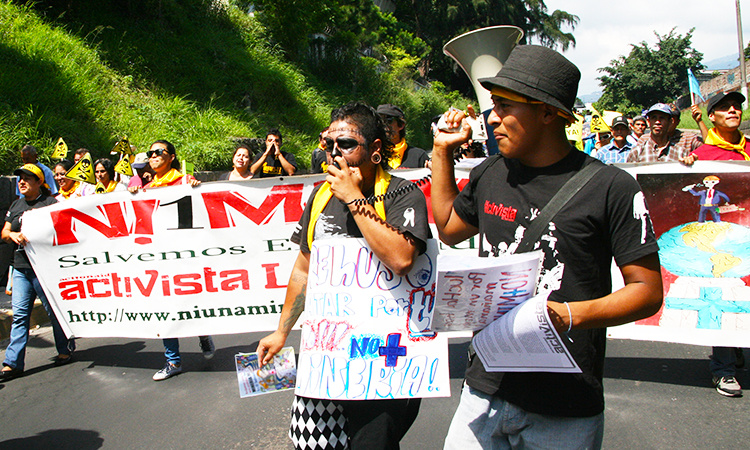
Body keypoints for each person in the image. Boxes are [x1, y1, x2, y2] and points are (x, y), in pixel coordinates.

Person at [430, 45, 663, 448]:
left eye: (505, 106)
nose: (493, 118)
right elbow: (449, 228)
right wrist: (441, 151)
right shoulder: (490, 173)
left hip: (566, 404)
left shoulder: (612, 187)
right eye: (493, 105)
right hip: (485, 386)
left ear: (547, 112)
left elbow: (646, 292)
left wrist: (566, 314)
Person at [257, 102, 431, 449]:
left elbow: (401, 258)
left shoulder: (402, 193)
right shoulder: (321, 196)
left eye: (347, 144)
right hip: (328, 355)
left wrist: (353, 198)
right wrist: (281, 331)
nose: (335, 153)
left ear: (375, 150)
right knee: (316, 444)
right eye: (328, 145)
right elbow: (305, 269)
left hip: (385, 359)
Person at [129, 140, 215, 380]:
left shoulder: (185, 181)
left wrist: (198, 190)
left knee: (193, 301)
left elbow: (203, 212)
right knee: (166, 308)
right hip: (160, 257)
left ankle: (204, 333)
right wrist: (136, 196)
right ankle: (173, 361)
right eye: (151, 153)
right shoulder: (147, 187)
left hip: (186, 256)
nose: (153, 156)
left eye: (159, 152)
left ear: (172, 157)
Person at [682, 90, 748, 397]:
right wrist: (685, 167)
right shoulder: (704, 157)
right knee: (723, 292)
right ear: (713, 117)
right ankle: (724, 369)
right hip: (720, 241)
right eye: (724, 108)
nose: (733, 110)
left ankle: (736, 344)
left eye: (737, 106)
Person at [1, 164, 75, 380]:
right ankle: (12, 363)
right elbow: (5, 231)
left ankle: (65, 348)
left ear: (39, 183)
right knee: (20, 316)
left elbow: (65, 230)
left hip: (44, 270)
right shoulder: (16, 205)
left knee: (54, 312)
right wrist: (13, 236)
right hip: (21, 269)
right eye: (20, 178)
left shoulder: (50, 204)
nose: (21, 182)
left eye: (27, 179)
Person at [627, 103, 698, 163]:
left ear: (670, 122)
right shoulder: (636, 153)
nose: (657, 122)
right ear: (648, 122)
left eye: (662, 118)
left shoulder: (682, 153)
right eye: (654, 118)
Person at [377, 104, 429, 168]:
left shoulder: (419, 156)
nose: (383, 125)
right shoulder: (371, 156)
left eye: (388, 121)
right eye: (380, 121)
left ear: (401, 125)